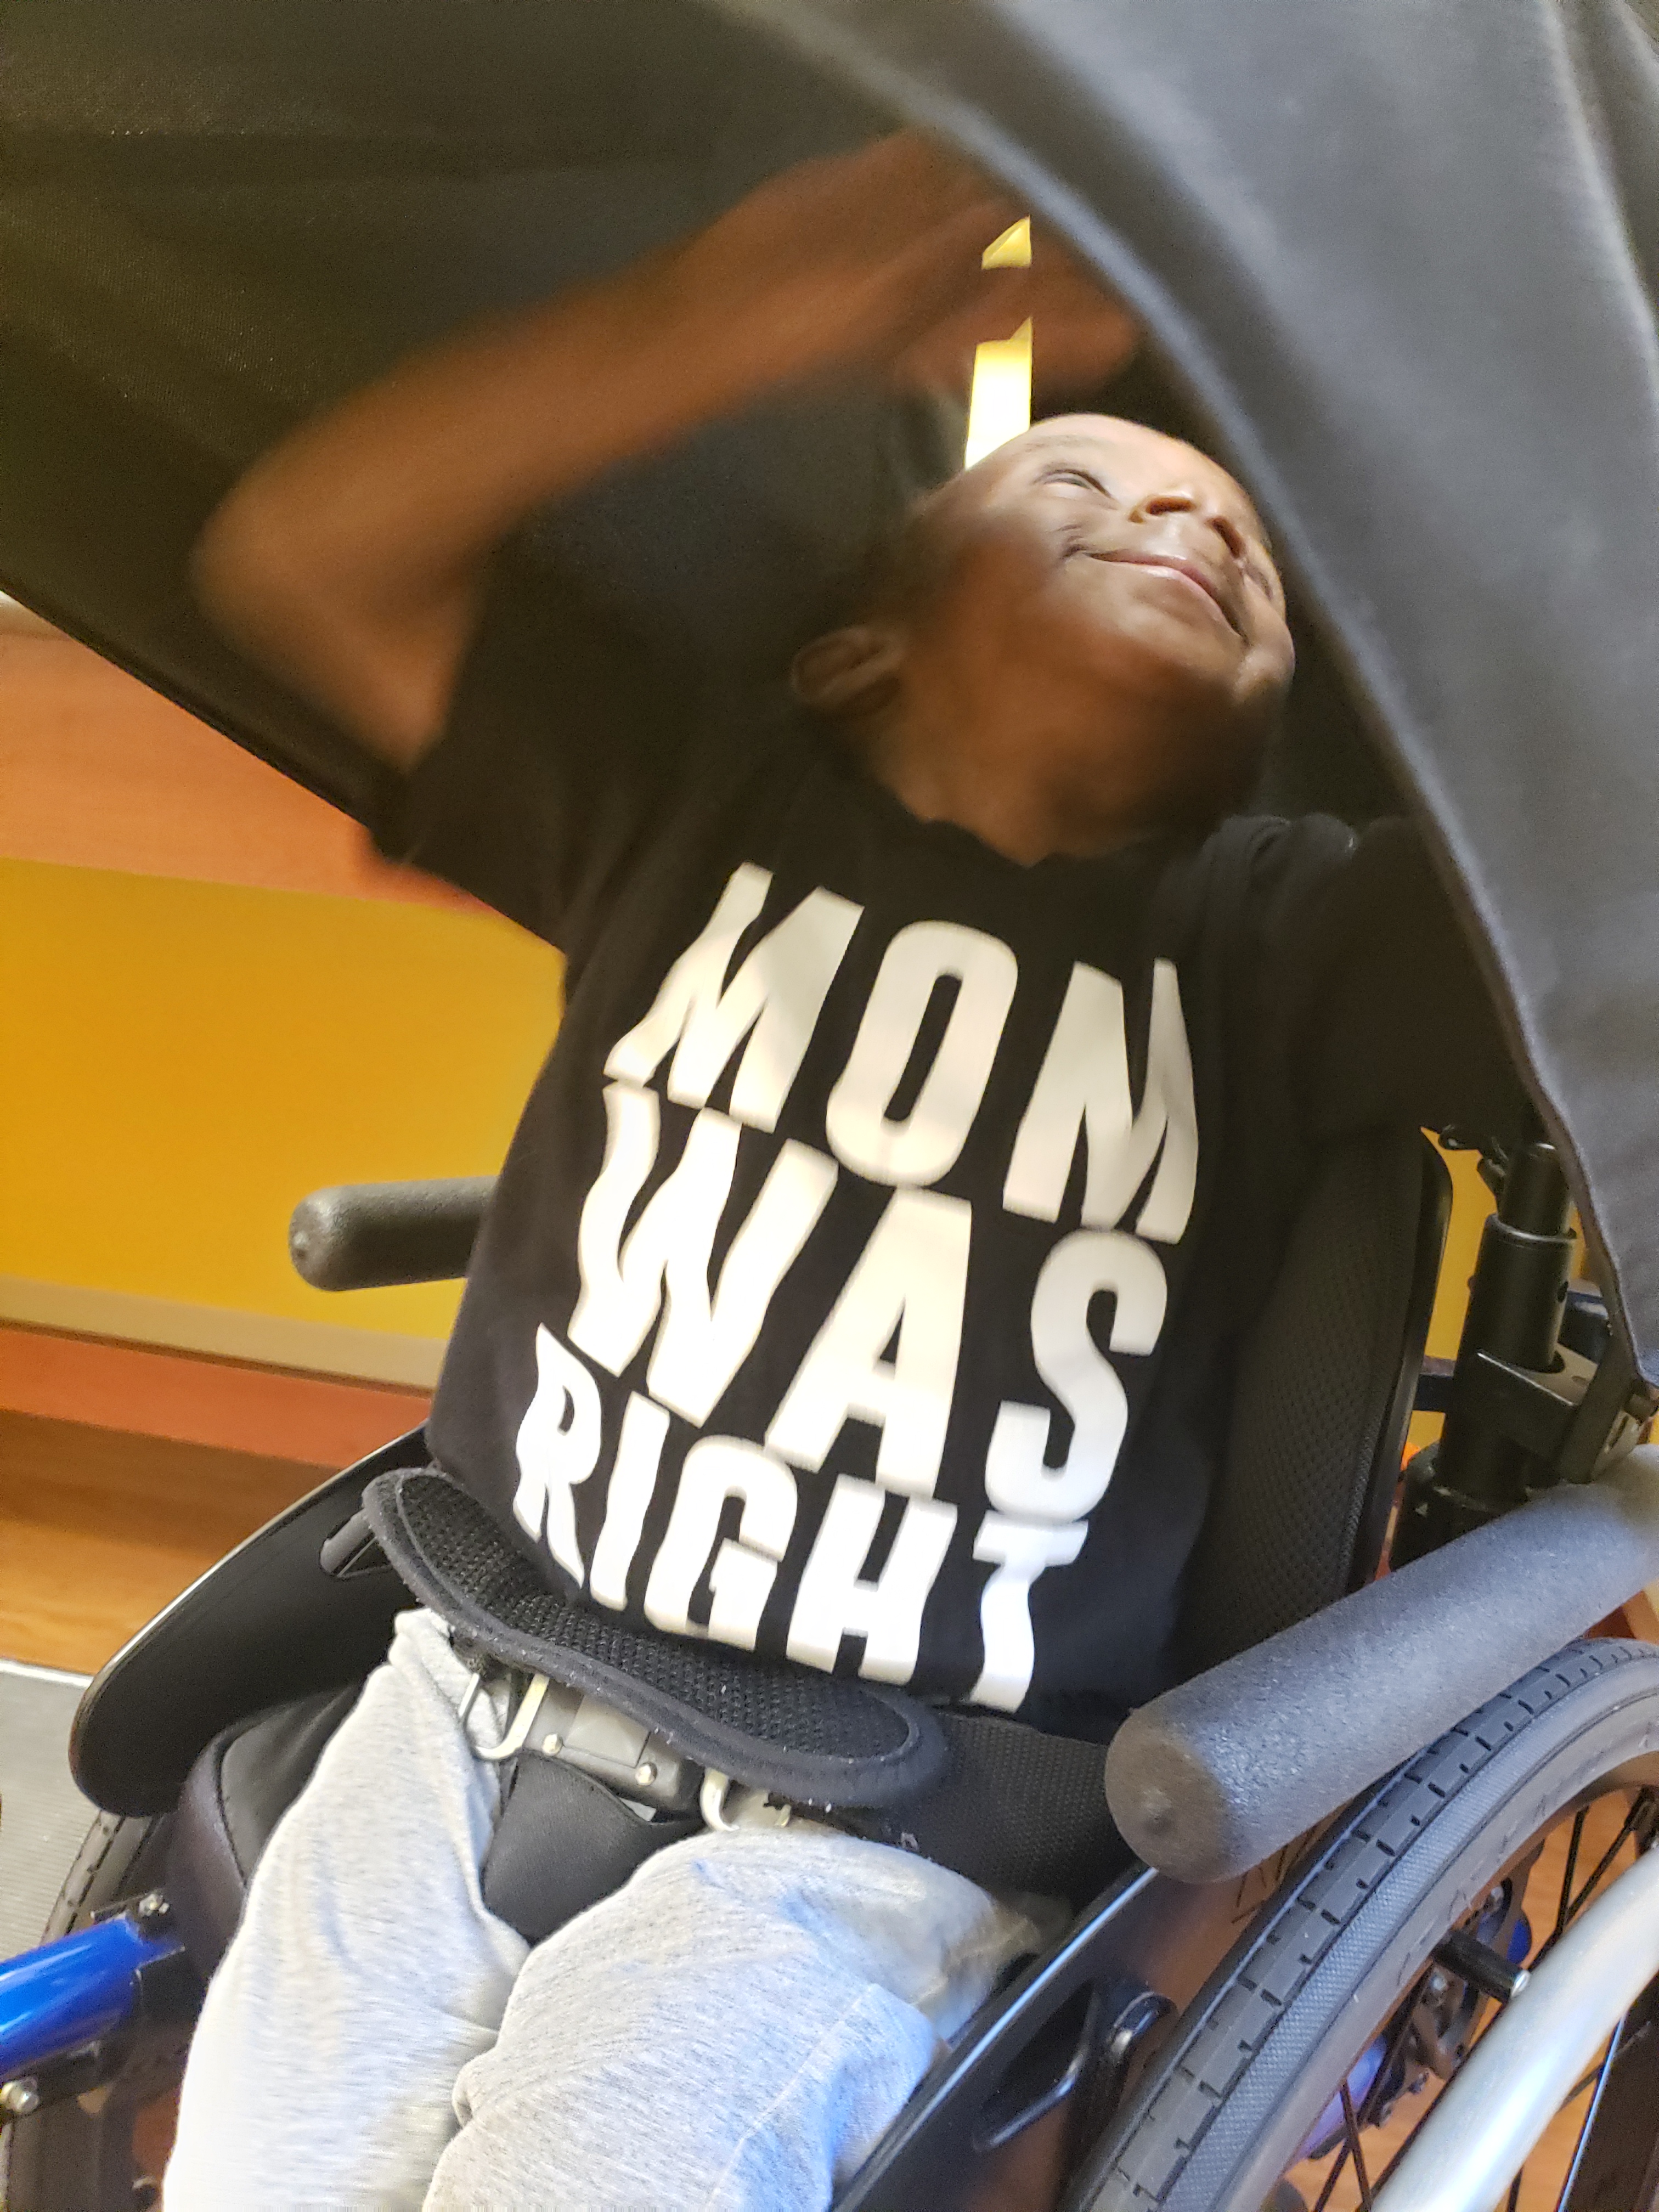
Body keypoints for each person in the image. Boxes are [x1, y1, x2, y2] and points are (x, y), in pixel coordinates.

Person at [166, 134, 1520, 2209]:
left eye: (1243, 550)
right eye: (1084, 486)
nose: (1181, 514)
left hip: (870, 1841)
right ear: (858, 649)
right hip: (461, 1704)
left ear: (1265, 737)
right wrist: (716, 319)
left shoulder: (1282, 941)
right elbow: (306, 559)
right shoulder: (687, 803)